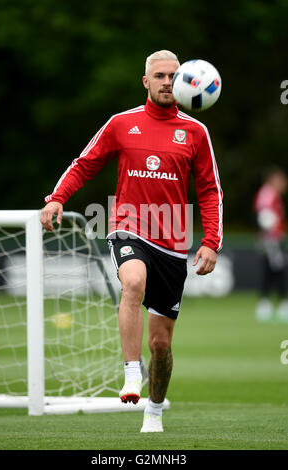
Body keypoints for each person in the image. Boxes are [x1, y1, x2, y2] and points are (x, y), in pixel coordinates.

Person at [40, 50, 223, 432]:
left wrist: (211, 240)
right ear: (146, 81)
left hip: (173, 242)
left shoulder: (195, 132)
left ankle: (154, 410)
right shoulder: (122, 124)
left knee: (161, 344)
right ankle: (130, 373)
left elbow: (209, 189)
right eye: (159, 75)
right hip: (129, 227)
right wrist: (57, 197)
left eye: (174, 76)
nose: (167, 82)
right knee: (133, 282)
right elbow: (84, 164)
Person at [253, 167, 288, 322]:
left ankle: (268, 304)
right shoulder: (267, 194)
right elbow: (263, 218)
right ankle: (275, 305)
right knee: (276, 271)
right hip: (271, 241)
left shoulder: (271, 195)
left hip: (273, 239)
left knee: (273, 271)